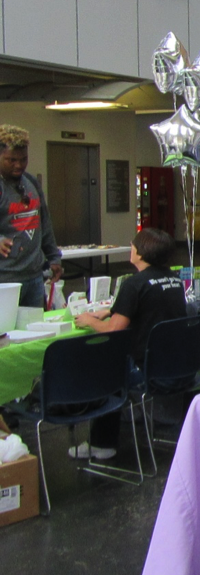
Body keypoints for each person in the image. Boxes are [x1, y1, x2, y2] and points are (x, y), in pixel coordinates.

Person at [70, 228, 186, 460]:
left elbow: (114, 329)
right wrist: (112, 311)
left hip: (147, 370)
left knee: (107, 369)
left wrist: (89, 321)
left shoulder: (134, 284)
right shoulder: (174, 280)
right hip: (177, 366)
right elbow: (150, 307)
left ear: (140, 253)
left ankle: (102, 442)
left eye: (133, 245)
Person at [0, 125, 62, 307]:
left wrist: (54, 257)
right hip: (5, 279)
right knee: (6, 333)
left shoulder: (30, 182)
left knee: (35, 331)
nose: (18, 165)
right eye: (10, 160)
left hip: (34, 275)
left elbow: (44, 222)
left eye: (23, 159)